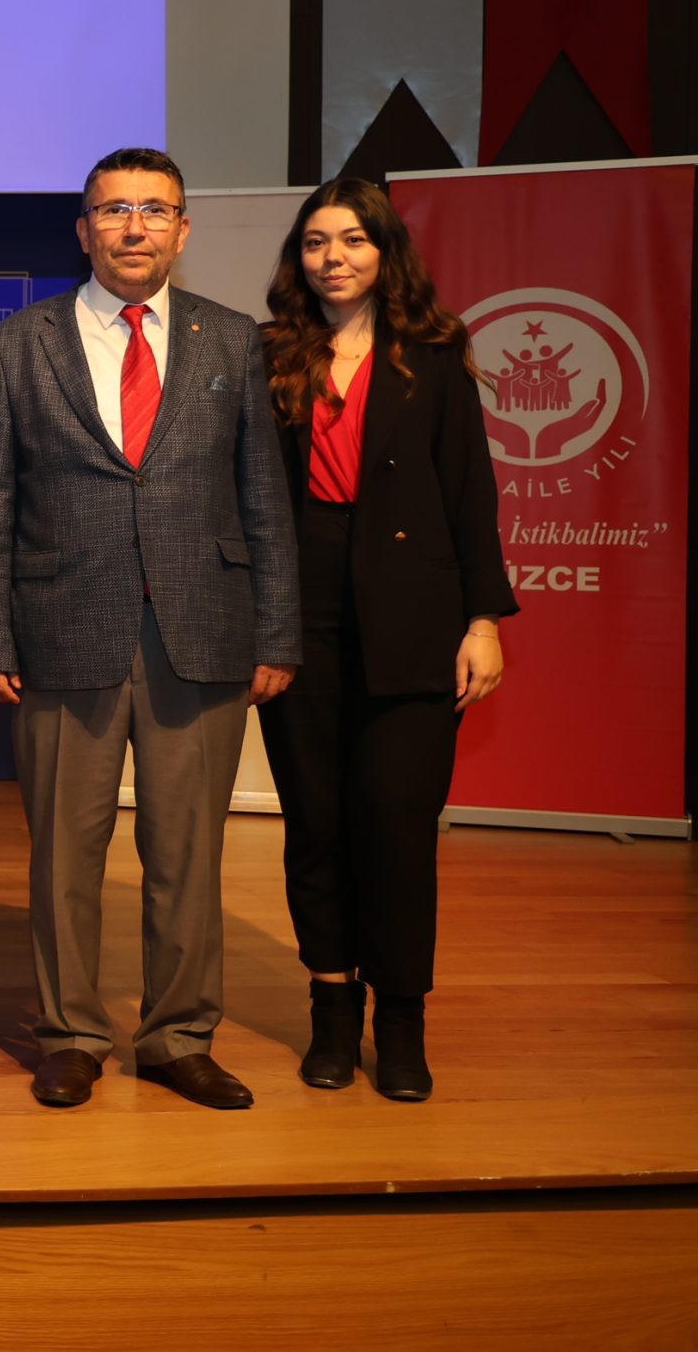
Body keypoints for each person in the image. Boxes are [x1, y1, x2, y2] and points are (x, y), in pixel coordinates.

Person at [0, 147, 300, 1112]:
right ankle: (70, 1033)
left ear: (183, 230)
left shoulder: (231, 339)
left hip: (203, 627)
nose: (134, 226)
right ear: (84, 229)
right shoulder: (18, 344)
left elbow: (263, 496)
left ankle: (179, 1037)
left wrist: (277, 632)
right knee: (64, 855)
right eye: (114, 210)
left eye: (154, 209)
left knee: (187, 853)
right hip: (63, 627)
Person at [256, 179, 513, 1101]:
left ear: (385, 250)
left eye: (353, 239)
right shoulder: (270, 352)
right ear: (299, 257)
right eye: (316, 241)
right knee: (315, 822)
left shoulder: (434, 354)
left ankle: (401, 1021)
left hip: (415, 609)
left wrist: (482, 620)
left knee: (398, 825)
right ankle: (332, 1012)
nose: (334, 257)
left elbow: (470, 490)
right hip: (298, 608)